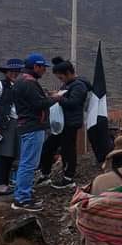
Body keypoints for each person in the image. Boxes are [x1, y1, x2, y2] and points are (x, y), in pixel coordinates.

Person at [11, 53, 56, 212]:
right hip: (32, 126)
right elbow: (39, 104)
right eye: (43, 67)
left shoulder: (21, 81)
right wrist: (54, 98)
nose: (44, 71)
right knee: (29, 164)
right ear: (36, 66)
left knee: (26, 162)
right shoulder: (29, 83)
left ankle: (21, 193)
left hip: (26, 126)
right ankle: (23, 199)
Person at [37, 58, 89, 189]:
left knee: (68, 150)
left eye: (61, 77)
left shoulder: (79, 85)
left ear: (68, 73)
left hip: (70, 123)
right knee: (48, 147)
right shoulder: (68, 84)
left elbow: (74, 103)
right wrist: (57, 95)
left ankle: (68, 178)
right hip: (61, 123)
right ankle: (45, 174)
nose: (61, 80)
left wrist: (59, 98)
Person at [0, 58, 23, 196]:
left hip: (15, 124)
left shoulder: (19, 85)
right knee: (1, 155)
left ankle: (5, 185)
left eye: (16, 71)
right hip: (2, 125)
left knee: (10, 156)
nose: (14, 73)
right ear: (6, 72)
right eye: (11, 71)